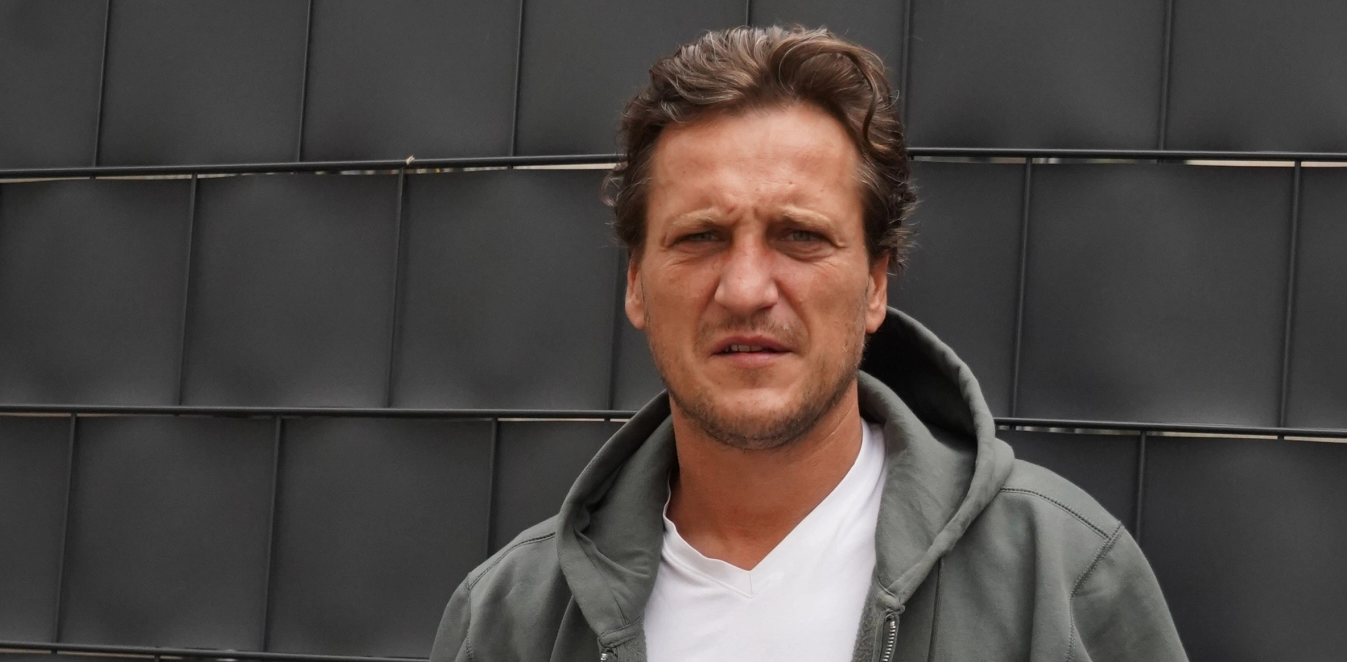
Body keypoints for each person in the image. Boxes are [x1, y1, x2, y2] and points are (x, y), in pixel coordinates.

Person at [430, 25, 1187, 662]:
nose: (745, 289)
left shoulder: (1060, 580)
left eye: (799, 236)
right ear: (635, 283)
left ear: (875, 284)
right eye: (700, 236)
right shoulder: (509, 620)